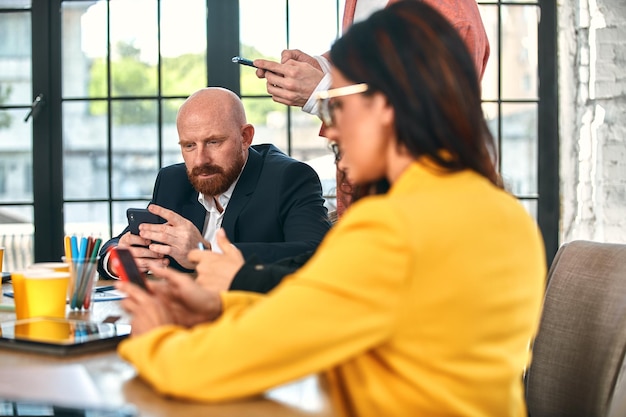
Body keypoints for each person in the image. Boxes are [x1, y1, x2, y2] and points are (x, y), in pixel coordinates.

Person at [116, 2, 546, 416]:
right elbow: (331, 315)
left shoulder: (392, 229)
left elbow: (211, 367)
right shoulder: (507, 217)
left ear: (384, 107)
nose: (332, 128)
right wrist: (220, 307)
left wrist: (154, 336)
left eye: (337, 103)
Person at [254, 0, 490, 216]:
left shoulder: (449, 12)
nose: (331, 135)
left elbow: (427, 115)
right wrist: (324, 66)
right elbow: (377, 69)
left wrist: (325, 94)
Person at [98, 87, 331, 286]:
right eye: (189, 145)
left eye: (213, 142)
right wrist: (117, 258)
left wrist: (206, 253)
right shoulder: (173, 181)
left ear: (245, 137)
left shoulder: (289, 178)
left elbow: (316, 255)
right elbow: (120, 242)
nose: (200, 160)